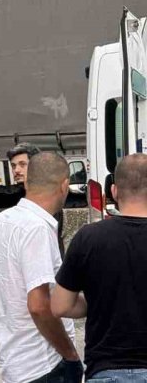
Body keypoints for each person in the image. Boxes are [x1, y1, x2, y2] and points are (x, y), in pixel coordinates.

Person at [0, 153, 81, 383]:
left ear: (28, 182)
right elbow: (38, 305)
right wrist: (70, 354)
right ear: (64, 186)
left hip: (12, 365)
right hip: (44, 365)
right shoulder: (37, 229)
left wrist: (14, 328)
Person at [52, 153, 147, 382]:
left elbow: (59, 306)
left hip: (105, 370)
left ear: (113, 191)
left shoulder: (89, 238)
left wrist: (96, 302)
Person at [8, 143, 65, 253]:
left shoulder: (46, 198)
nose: (16, 170)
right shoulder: (16, 195)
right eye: (13, 166)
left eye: (22, 164)